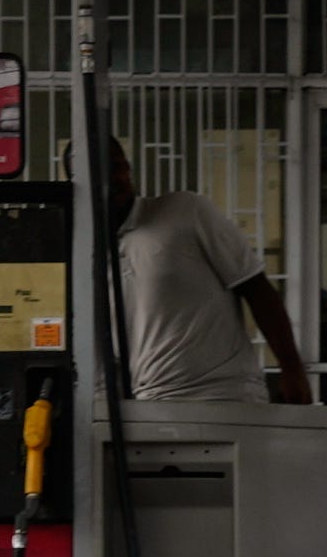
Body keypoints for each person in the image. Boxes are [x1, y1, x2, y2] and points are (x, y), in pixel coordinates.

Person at [109, 140, 314, 406]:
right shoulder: (83, 250)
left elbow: (257, 289)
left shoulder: (185, 211)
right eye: (101, 172)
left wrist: (292, 369)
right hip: (149, 403)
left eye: (118, 167)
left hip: (224, 394)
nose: (115, 178)